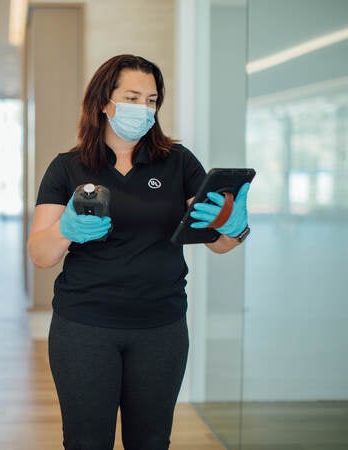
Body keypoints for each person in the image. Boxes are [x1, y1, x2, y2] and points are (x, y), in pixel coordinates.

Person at [27, 54, 251, 450]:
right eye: (132, 97)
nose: (144, 108)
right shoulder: (67, 168)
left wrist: (235, 227)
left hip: (160, 329)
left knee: (151, 442)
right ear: (103, 102)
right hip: (85, 328)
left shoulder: (178, 163)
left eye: (151, 100)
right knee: (85, 442)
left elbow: (219, 243)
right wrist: (66, 230)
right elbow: (41, 255)